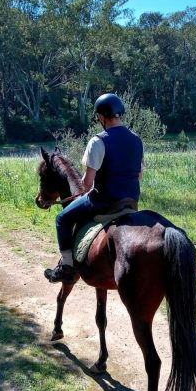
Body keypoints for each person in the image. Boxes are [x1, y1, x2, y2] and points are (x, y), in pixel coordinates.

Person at [45, 93, 144, 284]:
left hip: (104, 202)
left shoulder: (98, 141)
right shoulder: (136, 139)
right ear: (119, 114)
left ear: (101, 117)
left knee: (62, 219)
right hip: (131, 201)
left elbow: (87, 183)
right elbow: (138, 174)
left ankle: (66, 266)